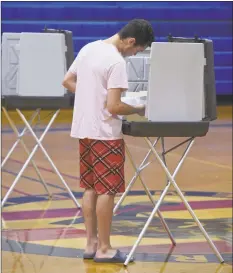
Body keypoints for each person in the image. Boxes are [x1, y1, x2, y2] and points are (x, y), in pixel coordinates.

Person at [62, 19, 154, 263]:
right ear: (131, 41)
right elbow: (114, 106)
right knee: (107, 190)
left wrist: (91, 93)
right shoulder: (116, 61)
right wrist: (140, 108)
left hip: (84, 130)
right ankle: (105, 248)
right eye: (137, 50)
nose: (135, 55)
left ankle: (91, 243)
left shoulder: (89, 48)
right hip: (105, 133)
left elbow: (68, 81)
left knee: (90, 186)